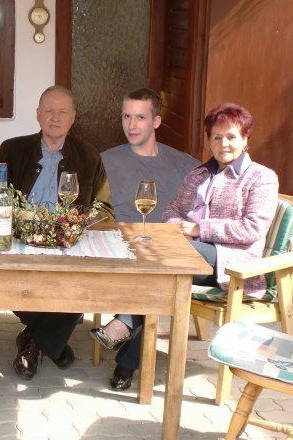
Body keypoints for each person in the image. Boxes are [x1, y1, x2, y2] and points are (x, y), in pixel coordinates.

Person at [91, 102, 279, 391]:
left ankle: (122, 326)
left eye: (231, 137)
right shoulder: (198, 174)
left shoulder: (260, 177)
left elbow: (252, 227)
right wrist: (178, 227)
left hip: (231, 262)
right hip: (184, 254)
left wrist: (198, 229)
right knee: (159, 278)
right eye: (216, 137)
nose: (223, 144)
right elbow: (171, 211)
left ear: (245, 138)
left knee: (162, 263)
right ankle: (125, 365)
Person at [0, 85, 115, 380]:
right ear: (37, 115)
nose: (55, 118)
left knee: (83, 283)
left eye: (62, 112)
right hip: (22, 241)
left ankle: (34, 341)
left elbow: (105, 210)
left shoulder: (89, 155)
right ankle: (53, 344)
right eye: (48, 111)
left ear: (73, 118)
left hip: (66, 244)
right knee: (7, 279)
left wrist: (77, 223)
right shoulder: (12, 149)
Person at [101, 87, 199, 223]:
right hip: (117, 235)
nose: (131, 125)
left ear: (156, 122)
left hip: (167, 236)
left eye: (140, 117)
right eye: (127, 116)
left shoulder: (186, 166)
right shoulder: (103, 162)